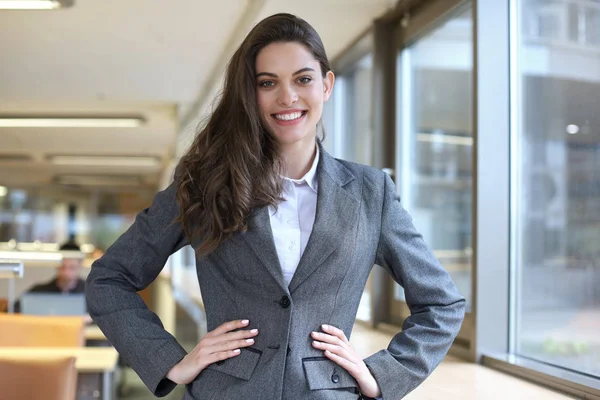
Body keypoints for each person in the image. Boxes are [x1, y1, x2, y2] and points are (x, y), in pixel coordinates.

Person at [85, 13, 465, 400]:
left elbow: (442, 304)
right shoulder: (204, 183)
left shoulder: (371, 193)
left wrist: (382, 375)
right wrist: (171, 361)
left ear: (327, 85)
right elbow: (108, 281)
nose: (288, 97)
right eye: (268, 83)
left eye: (303, 79)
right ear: (249, 94)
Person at [13, 241, 88, 319]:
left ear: (80, 266)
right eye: (63, 267)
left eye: (72, 267)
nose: (66, 273)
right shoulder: (39, 292)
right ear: (56, 265)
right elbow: (12, 311)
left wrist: (91, 319)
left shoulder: (93, 293)